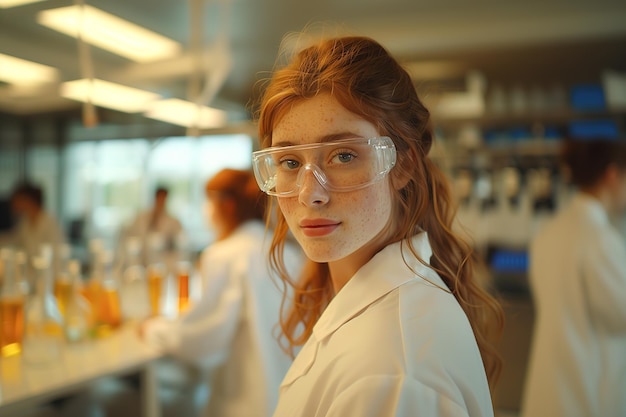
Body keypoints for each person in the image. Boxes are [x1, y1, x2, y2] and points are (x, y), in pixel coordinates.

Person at [251, 35, 504, 417]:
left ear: (402, 165)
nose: (309, 194)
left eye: (343, 155)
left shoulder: (392, 371)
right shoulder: (374, 315)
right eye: (288, 162)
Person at [140, 169, 303, 417]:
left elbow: (202, 338)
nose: (207, 211)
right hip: (291, 397)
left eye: (208, 202)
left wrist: (153, 329)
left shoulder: (225, 255)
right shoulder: (286, 252)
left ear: (227, 205)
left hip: (248, 403)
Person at [521, 137, 626, 417]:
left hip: (550, 391)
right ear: (612, 175)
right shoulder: (600, 239)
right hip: (587, 395)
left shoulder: (548, 233)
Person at [5, 182, 66, 262]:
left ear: (28, 200)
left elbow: (57, 255)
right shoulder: (25, 221)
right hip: (30, 271)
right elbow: (15, 241)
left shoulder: (49, 222)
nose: (13, 204)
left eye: (17, 200)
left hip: (48, 272)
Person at [124, 186, 183, 258]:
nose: (161, 201)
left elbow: (179, 243)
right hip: (141, 257)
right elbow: (131, 236)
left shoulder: (174, 222)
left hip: (162, 259)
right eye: (159, 198)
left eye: (163, 198)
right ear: (155, 198)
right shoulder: (141, 217)